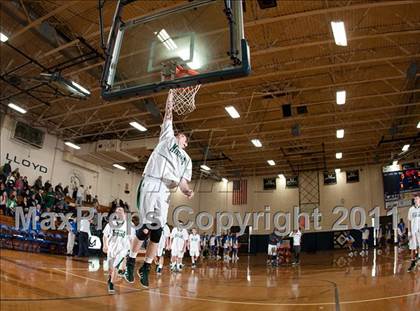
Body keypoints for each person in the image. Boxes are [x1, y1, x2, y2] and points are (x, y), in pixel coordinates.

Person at [124, 92, 193, 288]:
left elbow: (182, 182)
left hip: (165, 191)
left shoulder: (187, 160)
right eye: (181, 134)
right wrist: (170, 99)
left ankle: (145, 267)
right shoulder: (167, 138)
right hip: (152, 182)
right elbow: (168, 116)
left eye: (185, 137)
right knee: (146, 227)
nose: (182, 136)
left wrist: (187, 191)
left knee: (157, 232)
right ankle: (130, 260)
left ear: (186, 143)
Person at [102, 206, 133, 293]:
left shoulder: (129, 225)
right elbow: (104, 235)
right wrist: (105, 245)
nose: (118, 212)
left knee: (115, 266)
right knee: (111, 268)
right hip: (111, 248)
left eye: (120, 210)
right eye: (117, 211)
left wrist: (131, 252)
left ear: (124, 214)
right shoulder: (110, 224)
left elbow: (131, 239)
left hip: (122, 249)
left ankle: (111, 283)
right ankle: (110, 278)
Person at [407, 194, 420, 272]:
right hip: (413, 231)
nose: (415, 200)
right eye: (415, 199)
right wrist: (409, 231)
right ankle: (412, 263)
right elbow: (409, 220)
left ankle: (418, 257)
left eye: (417, 198)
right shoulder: (411, 209)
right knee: (412, 248)